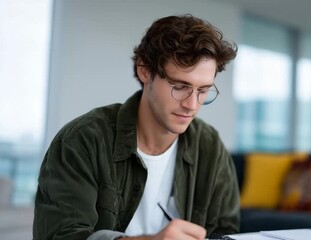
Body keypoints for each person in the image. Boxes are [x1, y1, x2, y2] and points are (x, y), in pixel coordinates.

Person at [33, 14, 240, 240]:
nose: (191, 105)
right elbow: (60, 236)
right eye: (180, 86)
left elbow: (226, 232)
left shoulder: (210, 146)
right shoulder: (81, 140)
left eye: (203, 91)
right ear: (145, 70)